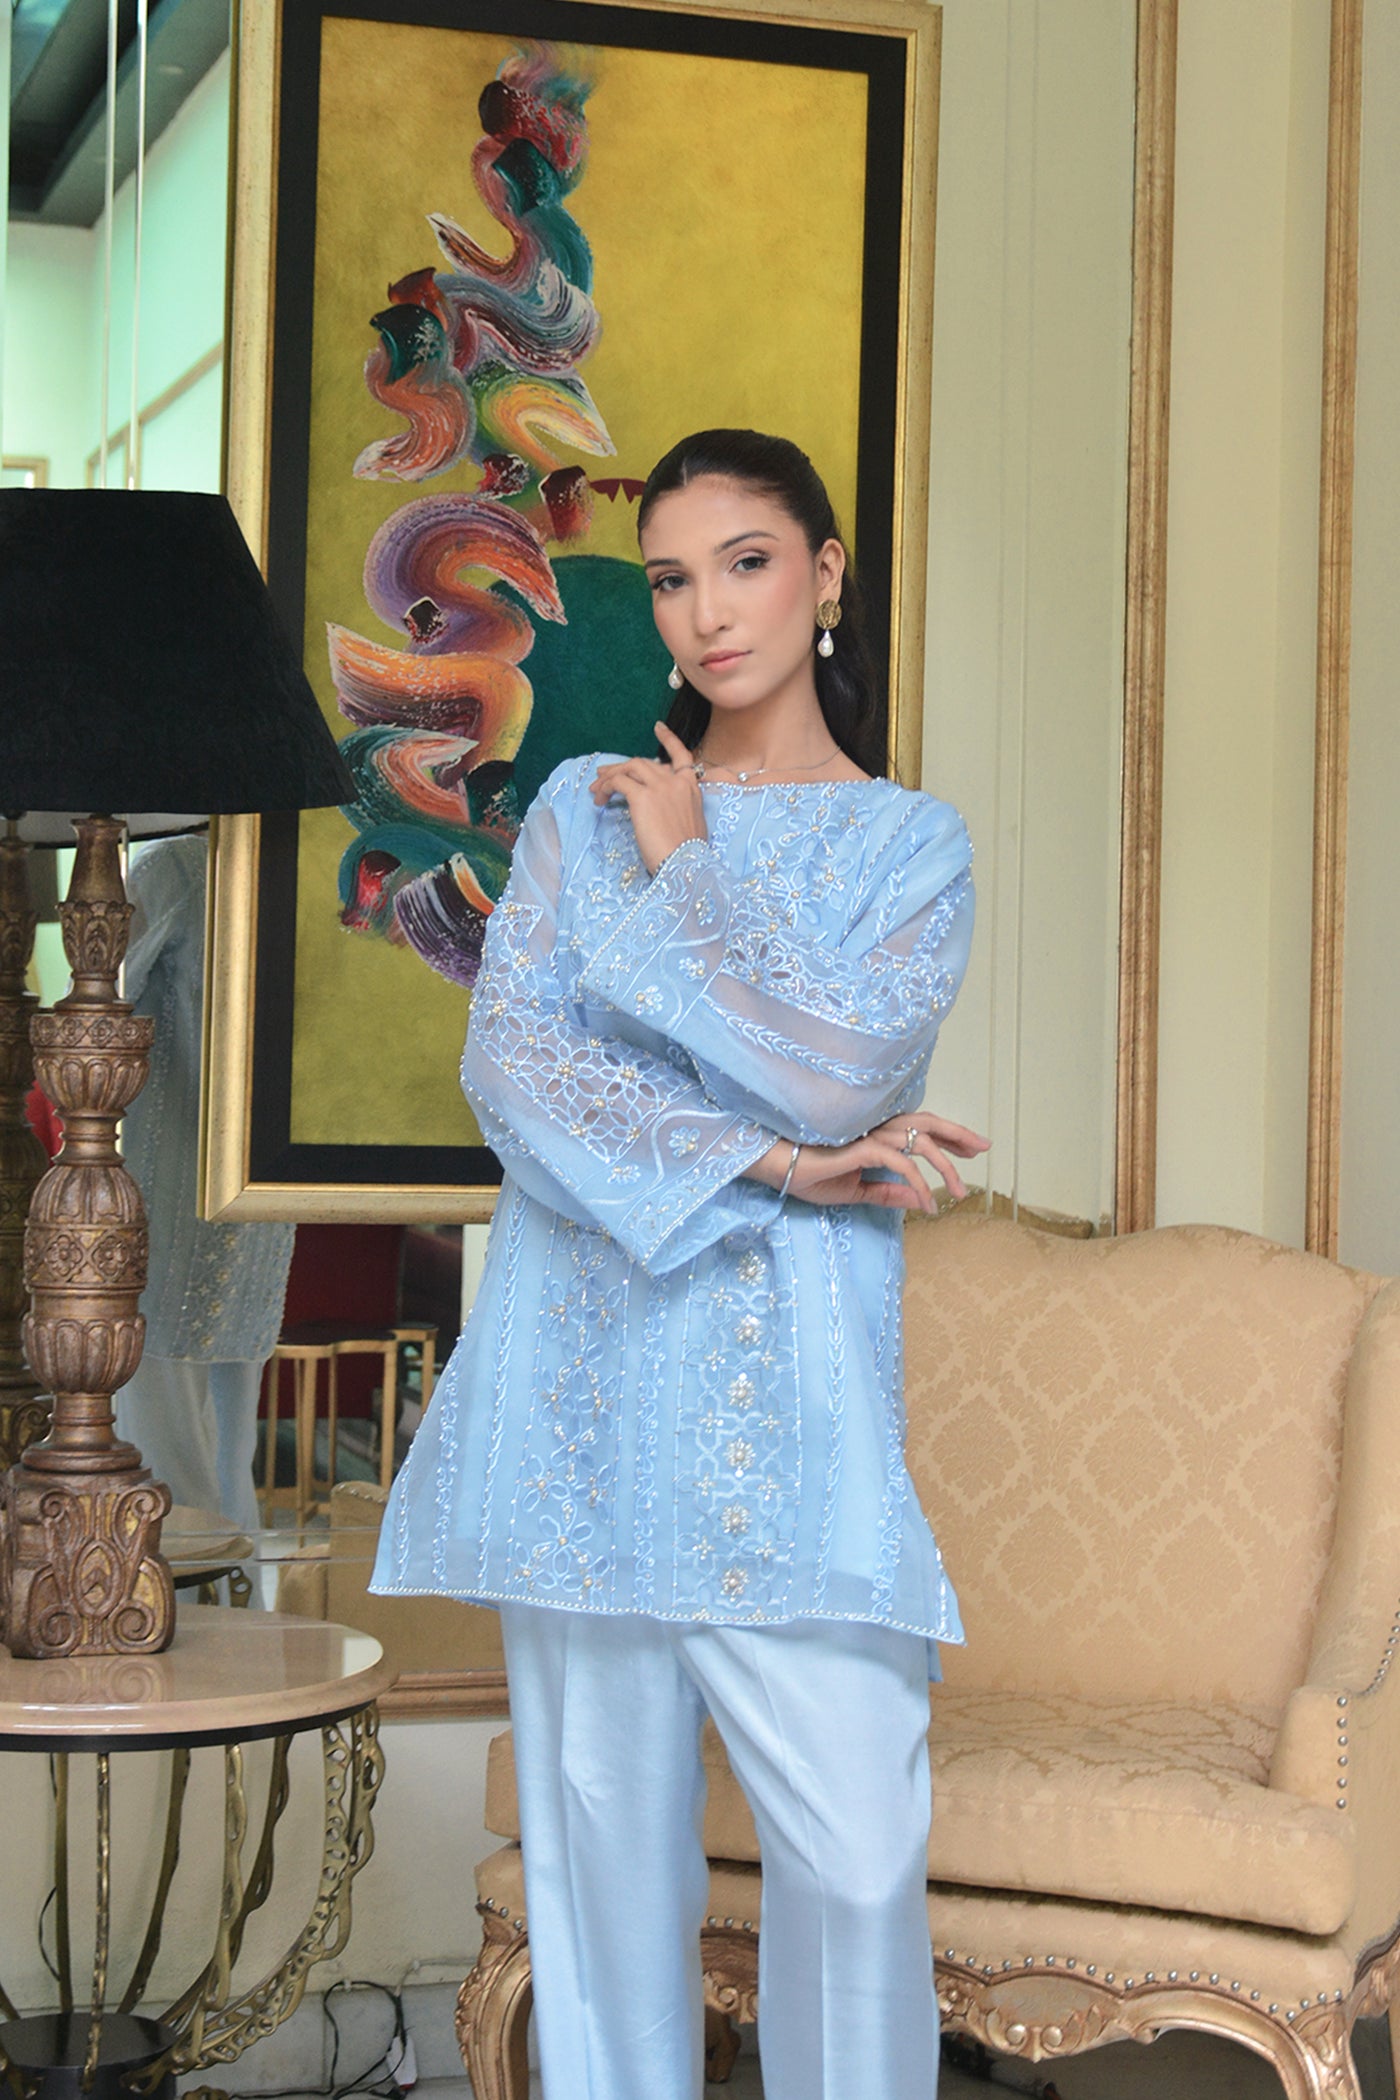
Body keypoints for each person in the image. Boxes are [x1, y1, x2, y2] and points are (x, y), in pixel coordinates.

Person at [371, 428, 988, 2099]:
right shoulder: (581, 809)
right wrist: (779, 1164)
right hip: (579, 1397)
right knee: (596, 1877)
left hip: (791, 1410)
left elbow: (843, 1069)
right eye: (669, 579)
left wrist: (695, 871)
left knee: (857, 1850)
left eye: (746, 564)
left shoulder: (910, 847)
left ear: (825, 575)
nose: (707, 613)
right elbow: (519, 1073)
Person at [116, 833, 295, 1537]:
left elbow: (96, 998)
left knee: (167, 1440)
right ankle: (229, 1587)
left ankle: (179, 1588)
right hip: (263, 1181)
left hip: (175, 1183)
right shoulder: (293, 874)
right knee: (226, 1448)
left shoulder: (176, 868)